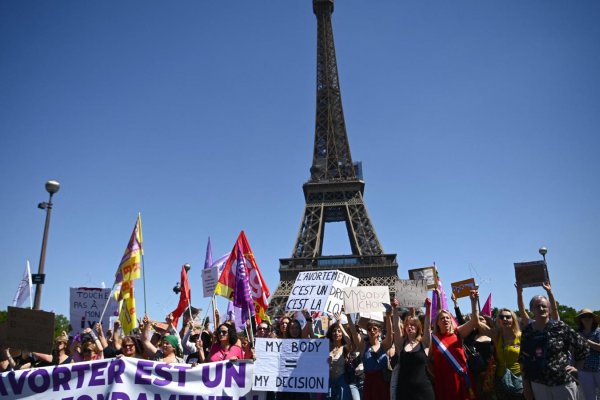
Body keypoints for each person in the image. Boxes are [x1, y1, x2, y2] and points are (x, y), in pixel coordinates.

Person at [519, 295, 589, 400]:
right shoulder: (527, 332)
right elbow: (524, 359)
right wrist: (527, 386)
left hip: (562, 383)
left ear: (549, 309)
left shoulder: (560, 327)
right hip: (538, 384)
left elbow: (583, 346)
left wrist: (576, 368)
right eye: (537, 306)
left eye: (544, 306)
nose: (541, 309)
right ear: (531, 310)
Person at [429, 290, 480, 400]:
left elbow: (474, 321)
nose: (445, 320)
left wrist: (473, 301)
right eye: (442, 318)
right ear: (437, 322)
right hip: (443, 384)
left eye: (448, 317)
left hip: (461, 381)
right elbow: (428, 361)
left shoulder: (458, 333)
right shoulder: (433, 339)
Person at [392, 297, 434, 400]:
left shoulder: (424, 343)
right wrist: (395, 309)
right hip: (404, 392)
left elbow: (428, 327)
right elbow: (396, 328)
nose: (410, 327)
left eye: (413, 325)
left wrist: (428, 307)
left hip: (424, 391)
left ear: (418, 327)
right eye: (407, 325)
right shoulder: (401, 344)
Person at [347, 308, 393, 400]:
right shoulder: (363, 346)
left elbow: (390, 334)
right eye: (369, 329)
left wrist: (388, 317)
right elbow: (354, 333)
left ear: (379, 332)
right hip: (369, 383)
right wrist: (348, 315)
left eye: (375, 329)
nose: (372, 331)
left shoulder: (384, 345)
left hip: (383, 383)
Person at [478, 308, 523, 400]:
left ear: (513, 319)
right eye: (502, 317)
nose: (505, 319)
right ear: (499, 320)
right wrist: (474, 302)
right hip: (500, 379)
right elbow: (476, 322)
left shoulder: (521, 336)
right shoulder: (497, 336)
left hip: (519, 379)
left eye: (508, 317)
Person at [325, 315, 354, 400]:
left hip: (342, 383)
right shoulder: (327, 347)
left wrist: (339, 324)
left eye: (339, 331)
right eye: (334, 331)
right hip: (329, 383)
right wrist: (329, 320)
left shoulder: (345, 348)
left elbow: (349, 341)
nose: (337, 333)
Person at [575, 308, 600, 400]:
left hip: (599, 368)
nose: (587, 318)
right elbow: (575, 351)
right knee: (590, 397)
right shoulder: (577, 334)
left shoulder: (598, 331)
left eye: (589, 316)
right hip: (584, 370)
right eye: (583, 316)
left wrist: (586, 341)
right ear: (580, 319)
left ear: (593, 319)